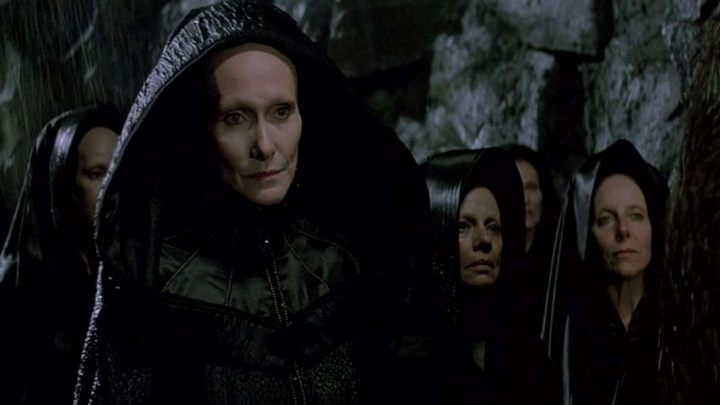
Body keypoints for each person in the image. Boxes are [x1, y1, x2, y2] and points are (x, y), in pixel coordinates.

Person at [74, 1, 428, 404]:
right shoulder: (149, 272)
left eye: (281, 112)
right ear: (199, 129)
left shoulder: (360, 246)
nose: (264, 145)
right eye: (236, 118)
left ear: (305, 114)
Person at [0, 105, 122, 405]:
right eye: (97, 174)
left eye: (119, 170)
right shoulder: (17, 292)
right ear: (63, 184)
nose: (113, 188)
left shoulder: (141, 274)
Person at [421, 148, 556, 404]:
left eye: (494, 227)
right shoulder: (407, 359)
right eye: (463, 226)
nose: (484, 240)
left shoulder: (529, 357)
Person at [542, 139, 668, 404]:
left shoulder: (676, 327)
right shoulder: (573, 339)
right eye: (606, 219)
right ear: (585, 235)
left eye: (636, 215)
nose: (623, 231)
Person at [501, 144, 560, 333]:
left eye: (531, 187)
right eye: (515, 188)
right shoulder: (485, 261)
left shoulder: (560, 261)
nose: (525, 199)